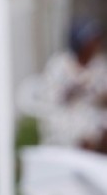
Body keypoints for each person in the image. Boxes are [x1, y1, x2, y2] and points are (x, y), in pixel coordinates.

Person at [38, 17, 107, 152]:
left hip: (92, 114)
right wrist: (77, 87)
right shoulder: (59, 65)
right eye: (90, 40)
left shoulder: (100, 65)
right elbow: (52, 99)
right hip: (65, 117)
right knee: (85, 138)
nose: (95, 44)